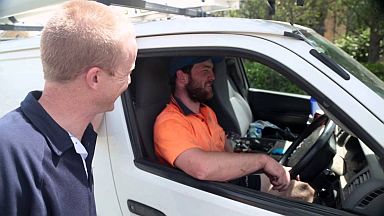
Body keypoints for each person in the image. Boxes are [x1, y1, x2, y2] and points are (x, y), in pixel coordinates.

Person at [0, 0, 137, 215]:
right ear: (95, 78)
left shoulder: (76, 133)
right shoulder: (8, 156)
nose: (129, 82)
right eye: (127, 72)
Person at [154, 56, 314, 202]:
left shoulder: (206, 112)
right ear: (182, 77)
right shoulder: (169, 122)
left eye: (212, 70)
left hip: (228, 183)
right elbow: (201, 168)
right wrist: (262, 161)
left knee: (296, 178)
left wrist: (268, 168)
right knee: (303, 194)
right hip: (208, 197)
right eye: (205, 70)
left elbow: (226, 152)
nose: (213, 76)